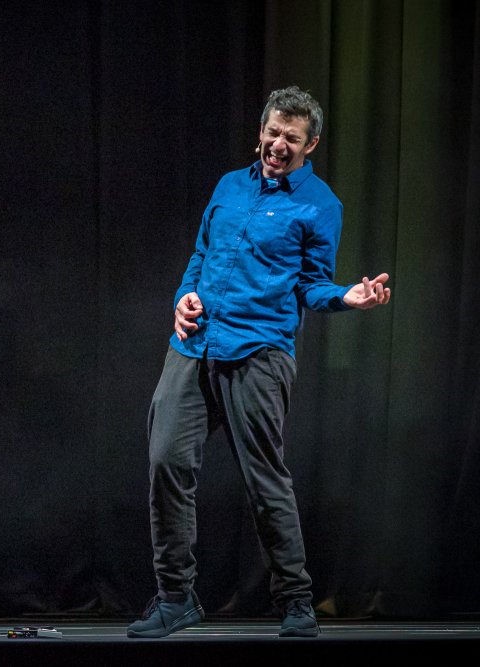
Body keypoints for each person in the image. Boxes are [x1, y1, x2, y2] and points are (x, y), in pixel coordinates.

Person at [127, 86, 391, 639]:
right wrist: (183, 296)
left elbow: (312, 284)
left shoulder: (320, 205)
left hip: (259, 351)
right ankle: (175, 597)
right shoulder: (229, 185)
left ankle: (296, 601)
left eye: (291, 138)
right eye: (272, 132)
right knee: (166, 463)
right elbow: (201, 255)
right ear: (261, 131)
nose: (277, 144)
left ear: (309, 144)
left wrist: (347, 297)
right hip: (194, 345)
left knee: (265, 480)